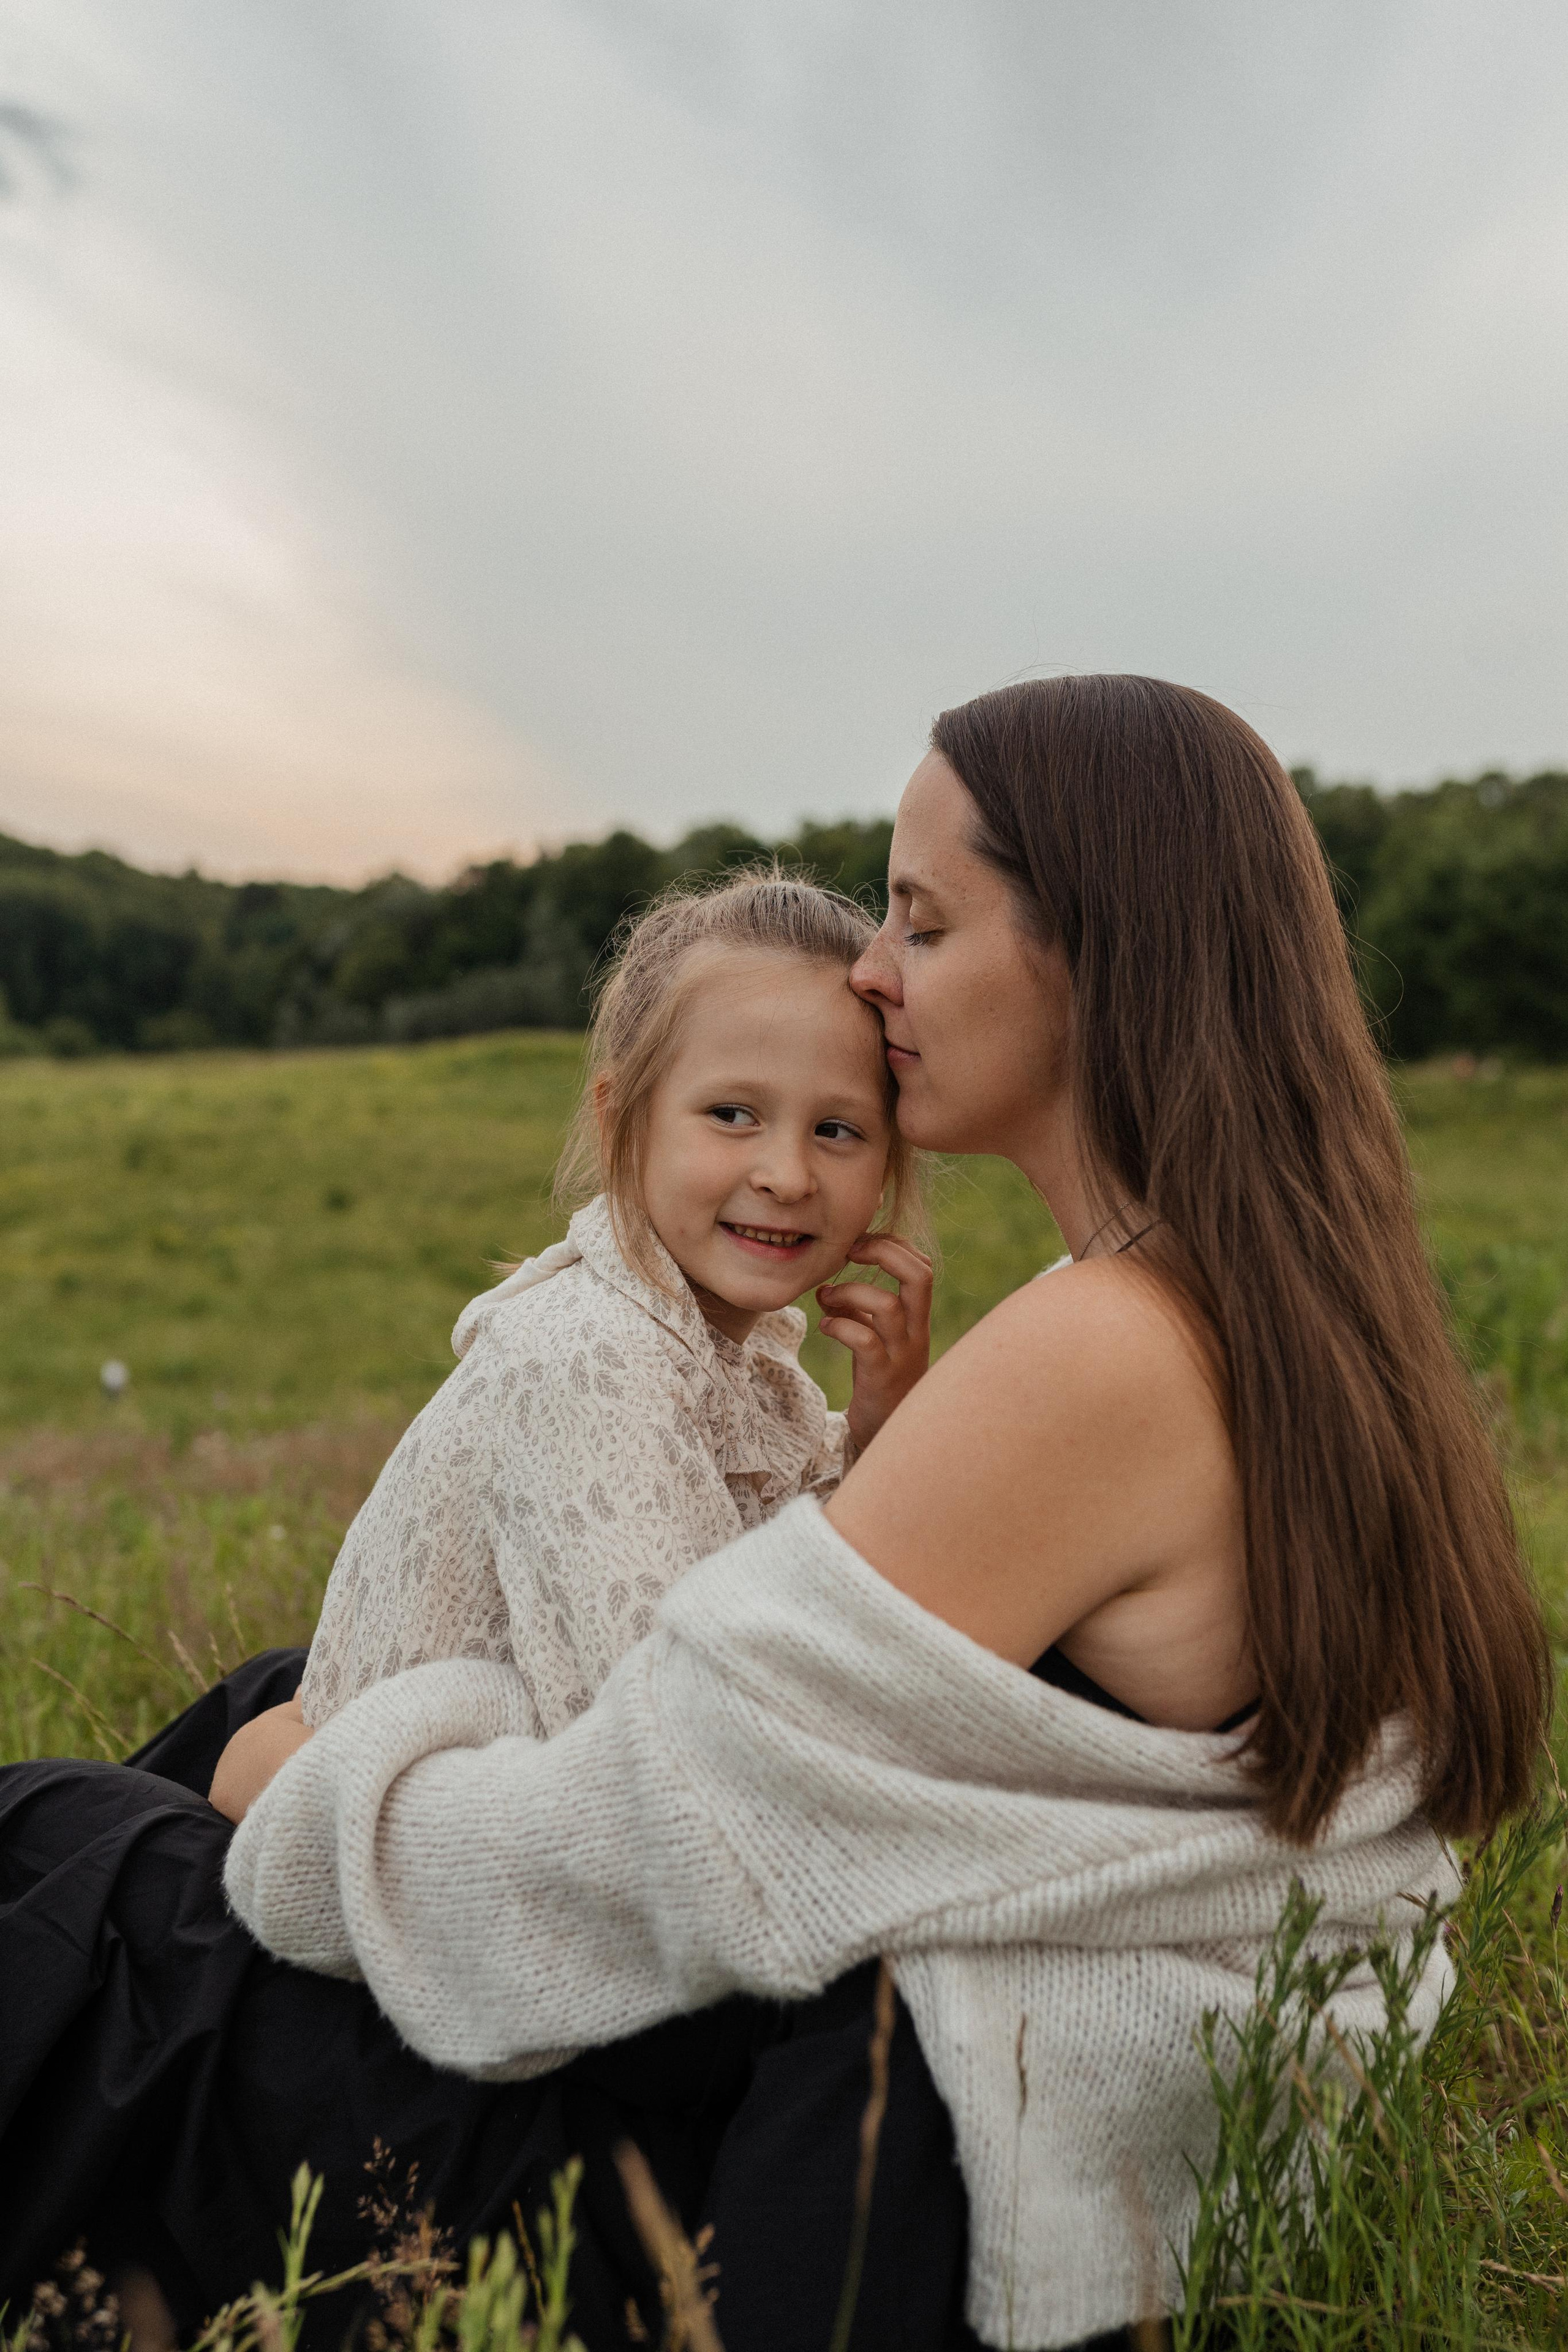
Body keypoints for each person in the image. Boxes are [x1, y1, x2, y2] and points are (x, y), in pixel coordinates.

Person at [1, 676, 1550, 2352]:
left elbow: (660, 1850)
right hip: (939, 2078)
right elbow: (911, 1716)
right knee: (249, 1710)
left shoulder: (1102, 1351)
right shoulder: (1270, 1298)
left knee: (76, 1857)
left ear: (1096, 955)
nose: (873, 970)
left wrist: (307, 1794)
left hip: (807, 2189)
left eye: (924, 920)